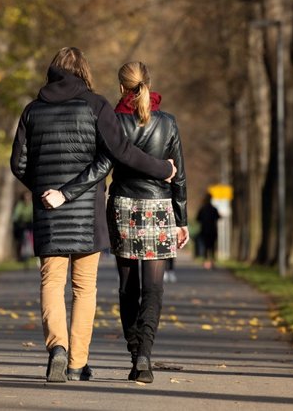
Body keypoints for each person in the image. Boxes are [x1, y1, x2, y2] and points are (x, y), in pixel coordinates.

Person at [10, 48, 175, 383]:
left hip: (47, 209)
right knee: (84, 288)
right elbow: (117, 155)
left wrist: (46, 188)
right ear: (83, 71)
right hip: (87, 213)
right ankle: (75, 363)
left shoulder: (32, 110)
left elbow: (18, 164)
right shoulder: (96, 105)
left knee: (52, 283)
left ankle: (56, 348)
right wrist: (162, 169)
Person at [49, 61, 188, 384]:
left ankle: (132, 347)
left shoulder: (113, 120)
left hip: (123, 206)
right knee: (154, 288)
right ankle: (145, 356)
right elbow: (178, 174)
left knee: (127, 287)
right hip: (159, 207)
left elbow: (103, 165)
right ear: (148, 84)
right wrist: (181, 219)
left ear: (120, 86)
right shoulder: (168, 123)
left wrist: (68, 192)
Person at [197, 192, 220, 269]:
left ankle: (206, 264)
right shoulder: (214, 209)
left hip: (204, 231)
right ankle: (212, 263)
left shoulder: (202, 209)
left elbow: (198, 219)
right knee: (212, 248)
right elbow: (218, 217)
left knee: (205, 248)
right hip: (213, 231)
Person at [11, 191, 33, 264]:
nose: (27, 198)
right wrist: (16, 221)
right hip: (22, 223)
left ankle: (33, 251)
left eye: (28, 197)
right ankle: (19, 254)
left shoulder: (32, 204)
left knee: (33, 236)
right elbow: (16, 214)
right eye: (25, 197)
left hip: (30, 223)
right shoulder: (20, 204)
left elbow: (34, 213)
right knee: (20, 238)